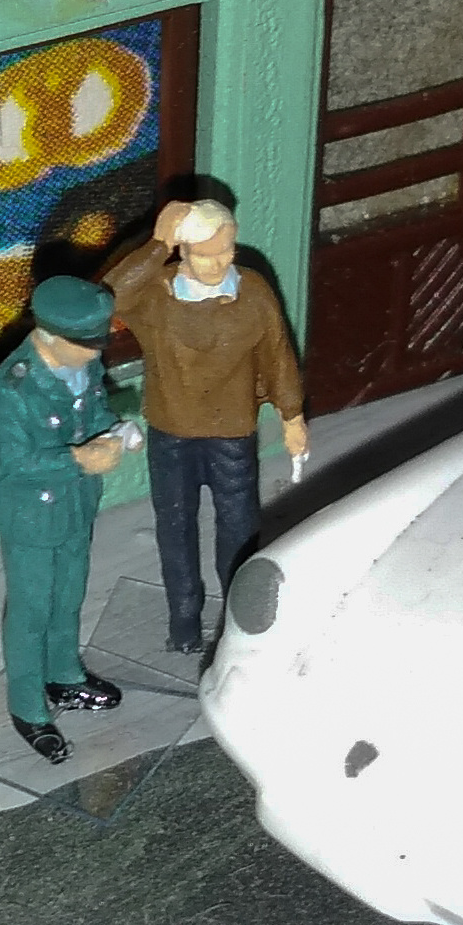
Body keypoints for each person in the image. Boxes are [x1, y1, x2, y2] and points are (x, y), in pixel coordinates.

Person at [104, 200, 309, 655]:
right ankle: (184, 619)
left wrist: (292, 416)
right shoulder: (156, 294)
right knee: (175, 528)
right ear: (183, 251)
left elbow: (278, 355)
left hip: (231, 432)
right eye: (205, 254)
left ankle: (235, 618)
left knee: (239, 528)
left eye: (226, 251)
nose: (218, 263)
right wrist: (157, 245)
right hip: (171, 430)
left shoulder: (252, 293)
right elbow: (109, 298)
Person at [0, 276, 131, 763]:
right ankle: (27, 706)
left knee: (69, 594)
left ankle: (64, 674)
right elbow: (15, 465)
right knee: (31, 610)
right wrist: (80, 459)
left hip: (76, 502)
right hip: (31, 514)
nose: (95, 353)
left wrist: (116, 430)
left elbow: (95, 408)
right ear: (49, 335)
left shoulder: (82, 365)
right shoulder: (12, 388)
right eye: (86, 343)